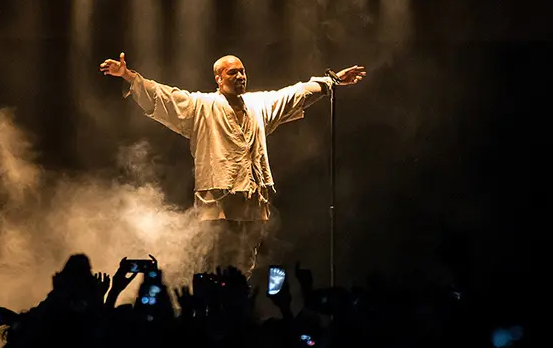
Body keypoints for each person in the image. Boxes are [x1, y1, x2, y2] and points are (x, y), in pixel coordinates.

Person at [99, 53, 366, 276]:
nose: (240, 77)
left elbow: (297, 93)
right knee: (212, 264)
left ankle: (239, 316)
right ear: (218, 79)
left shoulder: (259, 105)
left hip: (252, 203)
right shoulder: (201, 106)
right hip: (218, 203)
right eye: (232, 73)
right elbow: (163, 97)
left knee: (243, 268)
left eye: (242, 72)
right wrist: (129, 77)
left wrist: (332, 81)